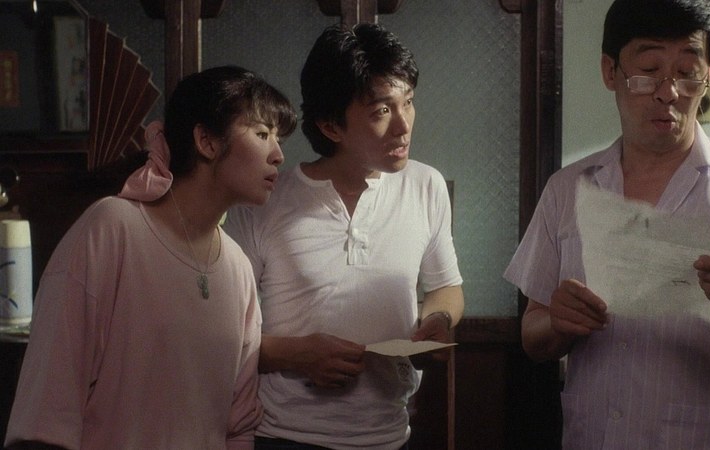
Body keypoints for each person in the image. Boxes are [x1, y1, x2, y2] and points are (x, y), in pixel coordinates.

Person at [504, 0, 710, 448]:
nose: (669, 92)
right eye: (648, 71)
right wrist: (558, 323)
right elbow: (533, 335)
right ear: (610, 71)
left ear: (709, 75)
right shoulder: (568, 189)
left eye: (687, 72)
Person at [4, 65, 297, 450]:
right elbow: (48, 408)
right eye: (262, 134)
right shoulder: (112, 229)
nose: (278, 155)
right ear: (206, 141)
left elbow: (237, 425)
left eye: (278, 139)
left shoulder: (239, 268)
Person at [223, 23, 464, 450]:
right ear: (331, 126)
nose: (403, 126)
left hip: (390, 435)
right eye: (381, 111)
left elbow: (446, 287)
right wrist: (297, 355)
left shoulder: (426, 186)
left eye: (408, 102)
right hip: (284, 436)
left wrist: (438, 320)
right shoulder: (265, 199)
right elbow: (221, 331)